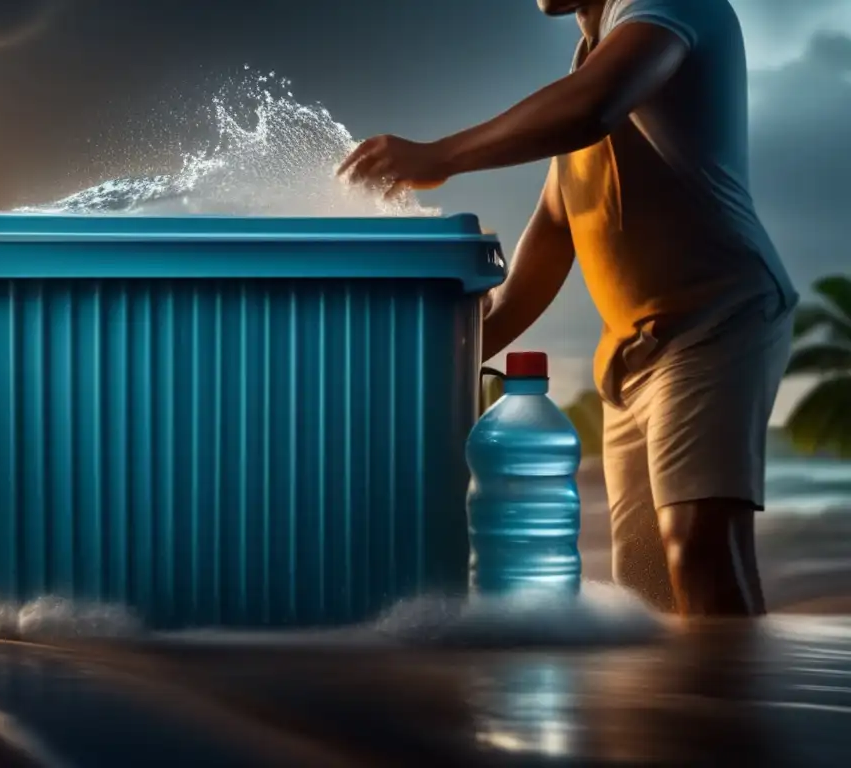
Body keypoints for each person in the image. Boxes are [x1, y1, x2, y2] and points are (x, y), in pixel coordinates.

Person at [339, 0, 798, 618]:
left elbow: (592, 106)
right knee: (647, 588)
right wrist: (430, 357)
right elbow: (556, 233)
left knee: (699, 551)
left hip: (717, 323)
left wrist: (438, 155)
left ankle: (738, 714)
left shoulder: (665, 12)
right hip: (633, 360)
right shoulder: (590, 59)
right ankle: (686, 714)